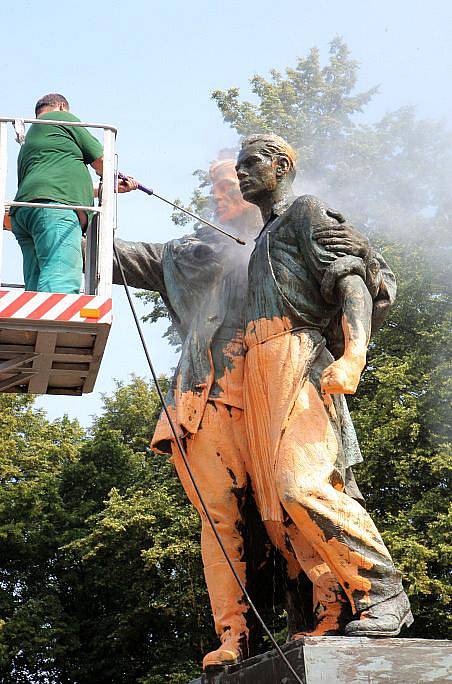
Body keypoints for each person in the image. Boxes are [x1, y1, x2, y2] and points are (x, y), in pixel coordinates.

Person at [112, 156, 396, 667]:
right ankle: (233, 636)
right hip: (209, 393)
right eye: (220, 186)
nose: (223, 194)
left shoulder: (292, 232)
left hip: (279, 381)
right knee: (218, 518)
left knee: (295, 497)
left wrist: (352, 354)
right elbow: (113, 257)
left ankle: (335, 605)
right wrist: (76, 208)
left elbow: (362, 277)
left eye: (230, 184)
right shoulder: (191, 254)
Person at [236, 133, 412, 638]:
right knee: (283, 508)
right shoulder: (263, 240)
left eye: (252, 163)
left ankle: (383, 592)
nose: (241, 173)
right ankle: (334, 607)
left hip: (298, 355)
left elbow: (351, 279)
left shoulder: (305, 211)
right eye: (238, 165)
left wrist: (355, 355)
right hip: (260, 369)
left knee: (304, 485)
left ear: (282, 165)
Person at [10, 93, 136, 294]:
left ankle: (35, 323)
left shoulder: (32, 141)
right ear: (61, 106)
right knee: (60, 279)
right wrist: (112, 174)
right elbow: (103, 161)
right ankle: (53, 323)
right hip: (55, 210)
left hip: (26, 212)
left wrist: (109, 187)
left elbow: (59, 181)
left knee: (36, 284)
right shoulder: (61, 118)